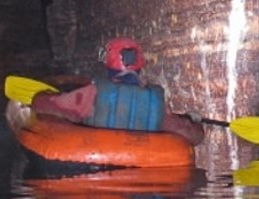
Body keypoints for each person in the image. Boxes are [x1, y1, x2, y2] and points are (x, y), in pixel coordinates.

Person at [32, 37, 204, 143]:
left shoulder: (93, 93)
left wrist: (44, 96)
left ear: (109, 61)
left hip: (95, 161)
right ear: (140, 64)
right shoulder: (155, 101)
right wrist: (191, 121)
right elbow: (195, 136)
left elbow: (42, 104)